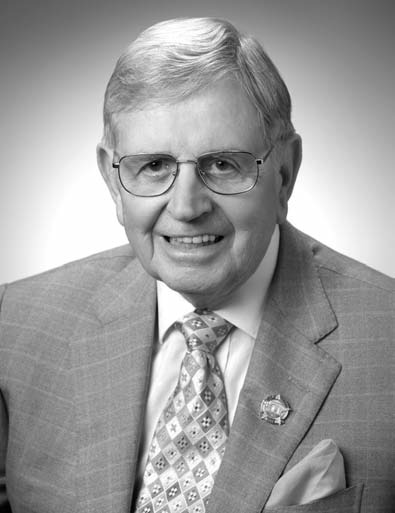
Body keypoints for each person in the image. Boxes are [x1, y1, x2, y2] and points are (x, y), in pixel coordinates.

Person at [0, 17, 393, 513]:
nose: (186, 207)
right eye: (154, 166)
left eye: (224, 164)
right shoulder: (16, 325)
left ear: (285, 173)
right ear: (112, 180)